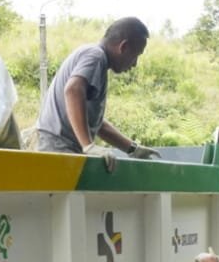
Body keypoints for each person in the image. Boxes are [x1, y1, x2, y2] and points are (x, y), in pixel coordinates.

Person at [33, 17, 160, 159]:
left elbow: (96, 124)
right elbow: (73, 90)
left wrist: (131, 148)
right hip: (57, 147)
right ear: (123, 47)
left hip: (59, 146)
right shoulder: (95, 56)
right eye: (136, 55)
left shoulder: (95, 59)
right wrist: (88, 146)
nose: (135, 64)